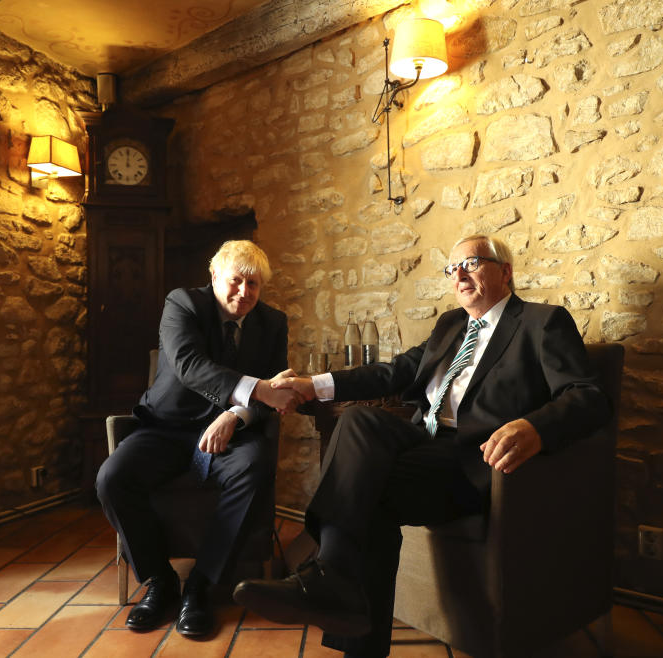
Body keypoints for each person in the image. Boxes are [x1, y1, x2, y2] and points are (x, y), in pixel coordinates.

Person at [233, 234, 612, 657]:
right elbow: (393, 372)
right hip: (420, 441)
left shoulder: (542, 323)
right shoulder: (450, 325)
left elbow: (588, 396)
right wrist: (312, 385)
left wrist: (535, 427)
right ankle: (333, 578)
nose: (459, 275)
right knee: (358, 420)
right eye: (452, 269)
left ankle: (336, 593)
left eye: (471, 263)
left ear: (505, 272)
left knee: (368, 494)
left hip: (471, 459)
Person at [96, 240, 302, 636]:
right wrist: (257, 389)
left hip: (233, 433)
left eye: (254, 284)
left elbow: (274, 393)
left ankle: (202, 586)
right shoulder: (183, 304)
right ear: (214, 276)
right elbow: (190, 366)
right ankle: (159, 582)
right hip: (166, 427)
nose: (245, 293)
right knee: (111, 478)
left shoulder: (272, 323)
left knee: (256, 466)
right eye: (236, 281)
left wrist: (234, 414)